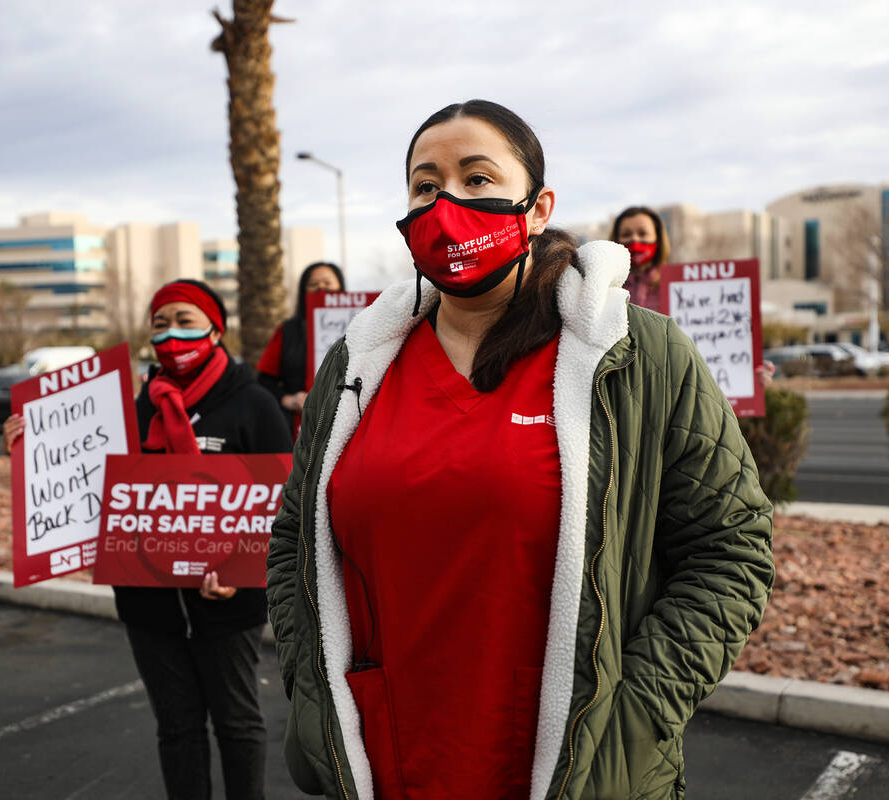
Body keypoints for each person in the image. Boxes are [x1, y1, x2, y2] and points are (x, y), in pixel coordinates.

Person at [266, 100, 774, 800]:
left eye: (477, 179)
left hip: (573, 770)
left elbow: (731, 547)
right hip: (390, 765)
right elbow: (296, 538)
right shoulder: (356, 367)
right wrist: (311, 691)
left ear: (537, 208)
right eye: (425, 185)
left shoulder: (639, 357)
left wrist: (636, 717)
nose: (447, 202)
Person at [6, 279, 291, 800]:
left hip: (226, 602)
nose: (171, 335)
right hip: (148, 604)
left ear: (216, 328)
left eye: (185, 321)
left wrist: (238, 572)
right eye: (160, 325)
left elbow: (282, 508)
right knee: (177, 728)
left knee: (237, 723)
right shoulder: (126, 410)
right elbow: (85, 484)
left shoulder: (254, 404)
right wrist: (32, 446)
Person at [611, 204, 777, 387]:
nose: (634, 239)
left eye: (643, 234)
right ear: (615, 239)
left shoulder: (683, 287)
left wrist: (750, 372)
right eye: (626, 234)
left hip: (673, 388)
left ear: (658, 239)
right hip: (619, 387)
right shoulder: (606, 289)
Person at [256, 261, 345, 438]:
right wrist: (289, 400)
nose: (321, 288)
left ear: (341, 287)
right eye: (313, 284)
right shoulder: (287, 331)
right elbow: (264, 382)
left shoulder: (359, 326)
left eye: (327, 283)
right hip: (299, 428)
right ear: (303, 292)